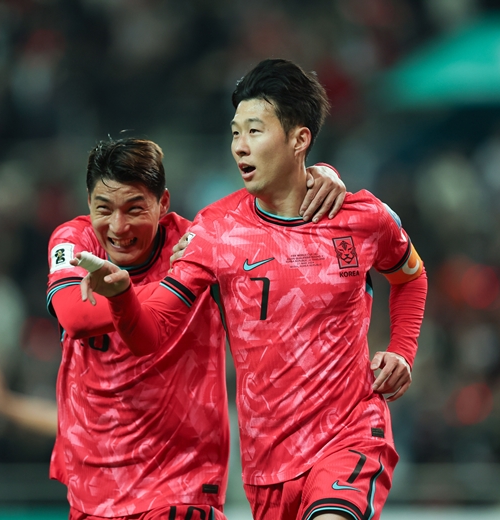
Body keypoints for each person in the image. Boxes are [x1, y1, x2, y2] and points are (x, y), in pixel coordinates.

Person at [79, 59, 428, 520]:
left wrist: (402, 350)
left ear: (299, 139)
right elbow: (151, 333)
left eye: (254, 131)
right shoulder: (214, 231)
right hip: (267, 465)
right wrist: (123, 296)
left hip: (350, 435)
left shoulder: (363, 218)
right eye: (235, 133)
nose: (239, 147)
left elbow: (410, 276)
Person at [48, 136, 346, 520]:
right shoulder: (74, 242)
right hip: (93, 486)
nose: (118, 226)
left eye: (135, 208)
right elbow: (75, 316)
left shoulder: (199, 245)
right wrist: (173, 285)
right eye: (104, 208)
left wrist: (317, 177)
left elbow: (276, 226)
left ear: (163, 203)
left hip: (180, 480)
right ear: (88, 203)